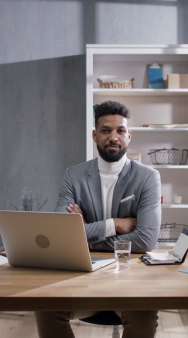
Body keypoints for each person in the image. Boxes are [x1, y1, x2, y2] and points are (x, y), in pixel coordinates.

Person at [34, 100, 161, 338]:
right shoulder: (74, 175)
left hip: (130, 278)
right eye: (105, 130)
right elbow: (61, 232)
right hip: (82, 276)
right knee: (45, 306)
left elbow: (145, 239)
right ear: (94, 135)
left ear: (129, 135)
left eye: (120, 130)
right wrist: (114, 224)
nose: (113, 137)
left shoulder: (147, 178)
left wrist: (84, 235)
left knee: (143, 312)